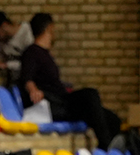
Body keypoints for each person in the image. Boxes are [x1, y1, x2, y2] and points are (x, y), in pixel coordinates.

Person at [16, 13, 122, 145]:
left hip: (62, 100)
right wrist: (33, 90)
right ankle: (104, 146)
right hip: (55, 103)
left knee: (112, 119)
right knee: (90, 95)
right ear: (49, 28)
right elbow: (27, 77)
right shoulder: (32, 52)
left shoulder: (45, 54)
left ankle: (112, 151)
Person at [0, 8, 35, 80]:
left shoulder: (27, 33)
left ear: (4, 25)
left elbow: (33, 63)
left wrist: (7, 65)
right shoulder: (2, 41)